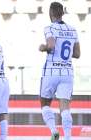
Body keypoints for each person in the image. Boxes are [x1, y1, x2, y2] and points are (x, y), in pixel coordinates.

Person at [39, 2, 80, 140]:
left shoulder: (49, 28)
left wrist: (43, 47)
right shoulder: (73, 30)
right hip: (67, 71)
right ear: (62, 13)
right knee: (65, 107)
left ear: (50, 13)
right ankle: (68, 137)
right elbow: (77, 54)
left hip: (51, 71)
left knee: (45, 103)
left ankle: (54, 131)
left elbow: (50, 45)